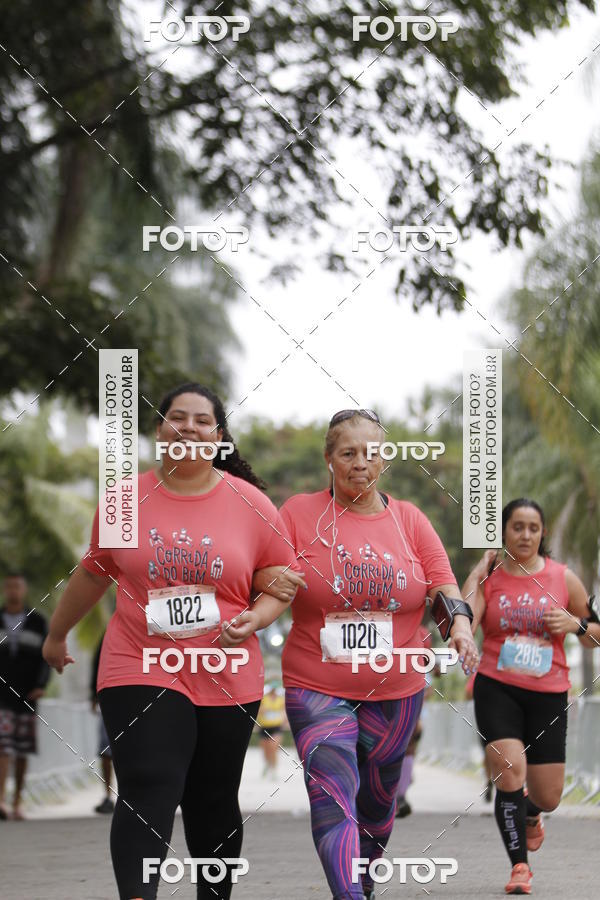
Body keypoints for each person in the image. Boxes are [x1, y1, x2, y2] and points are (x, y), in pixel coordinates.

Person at [43, 383, 299, 900]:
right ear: (159, 430)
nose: (188, 427)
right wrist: (56, 634)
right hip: (140, 660)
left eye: (202, 420)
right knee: (149, 783)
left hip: (226, 669)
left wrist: (256, 617)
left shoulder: (250, 504)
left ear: (218, 436)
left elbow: (280, 583)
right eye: (176, 418)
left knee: (213, 799)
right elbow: (94, 574)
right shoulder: (123, 499)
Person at [253, 409, 478, 900]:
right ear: (329, 460)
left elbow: (443, 586)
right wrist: (257, 607)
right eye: (348, 453)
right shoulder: (297, 514)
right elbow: (268, 578)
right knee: (332, 796)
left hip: (396, 689)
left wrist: (460, 627)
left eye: (371, 452)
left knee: (378, 805)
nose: (361, 462)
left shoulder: (410, 521)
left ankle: (365, 879)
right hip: (317, 686)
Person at [463, 498, 600, 896]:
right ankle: (519, 867)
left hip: (548, 694)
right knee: (509, 772)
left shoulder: (563, 578)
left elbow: (596, 634)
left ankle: (533, 813)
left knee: (548, 795)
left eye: (533, 528)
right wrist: (476, 570)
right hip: (497, 687)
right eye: (517, 527)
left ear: (542, 534)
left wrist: (576, 625)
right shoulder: (490, 578)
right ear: (504, 532)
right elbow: (465, 620)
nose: (525, 535)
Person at [0, 573, 49, 821]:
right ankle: (0, 802)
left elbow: (46, 656)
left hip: (28, 694)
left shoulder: (38, 621)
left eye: (17, 586)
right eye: (9, 586)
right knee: (2, 747)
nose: (13, 591)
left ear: (24, 589)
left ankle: (18, 800)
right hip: (1, 695)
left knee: (21, 750)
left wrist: (41, 684)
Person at [90, 630, 114, 814]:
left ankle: (131, 795)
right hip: (110, 694)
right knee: (106, 750)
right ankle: (107, 795)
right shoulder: (109, 633)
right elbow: (96, 664)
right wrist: (93, 695)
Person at [464, 671, 493, 803]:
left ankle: (492, 780)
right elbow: (468, 693)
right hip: (486, 717)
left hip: (492, 717)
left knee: (490, 751)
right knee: (488, 751)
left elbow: (468, 694)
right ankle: (489, 780)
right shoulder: (482, 671)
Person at [256, 682, 286, 776]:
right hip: (264, 726)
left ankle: (274, 769)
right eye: (272, 690)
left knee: (273, 748)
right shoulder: (264, 699)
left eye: (275, 690)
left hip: (276, 727)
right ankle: (267, 764)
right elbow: (258, 710)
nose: (274, 692)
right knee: (266, 750)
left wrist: (285, 721)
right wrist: (262, 710)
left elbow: (284, 711)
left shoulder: (281, 699)